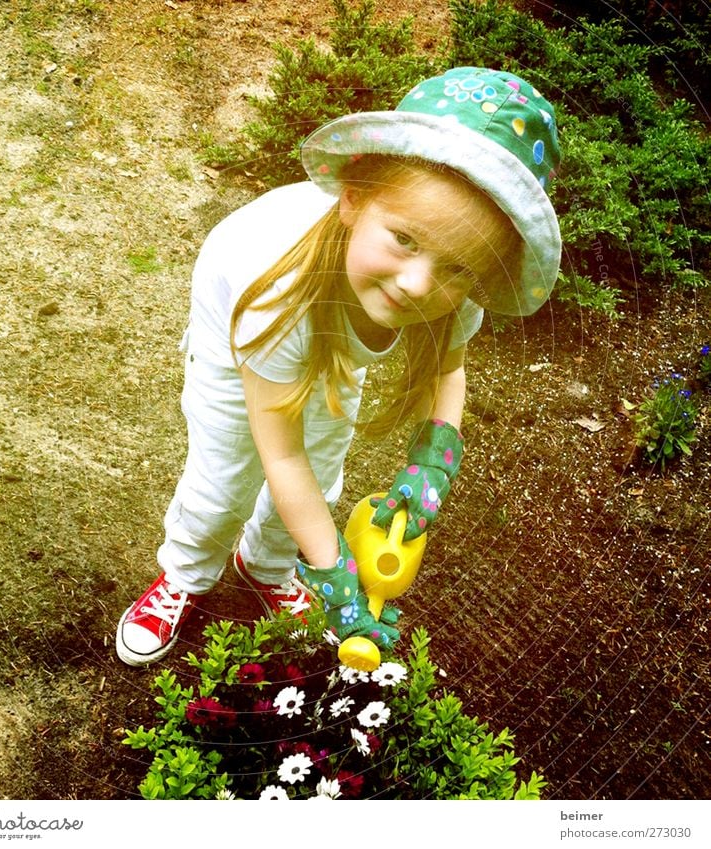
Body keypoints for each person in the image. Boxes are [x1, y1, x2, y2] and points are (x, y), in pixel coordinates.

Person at [115, 66, 562, 667]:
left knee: (322, 469)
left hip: (327, 341)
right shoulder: (274, 288)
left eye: (456, 269)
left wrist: (435, 460)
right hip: (246, 337)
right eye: (404, 238)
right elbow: (280, 454)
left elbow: (446, 373)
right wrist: (336, 575)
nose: (417, 283)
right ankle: (186, 573)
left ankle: (267, 566)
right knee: (226, 476)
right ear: (353, 199)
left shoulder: (449, 291)